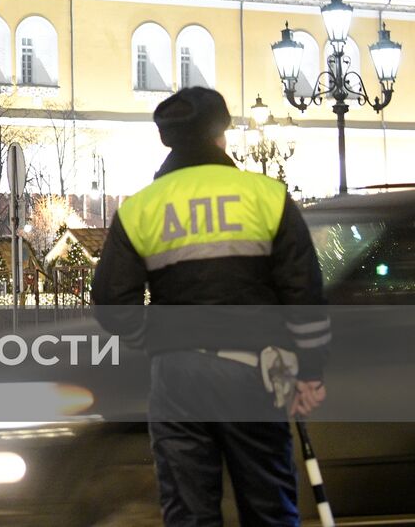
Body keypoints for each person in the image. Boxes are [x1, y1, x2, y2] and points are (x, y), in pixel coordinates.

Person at [93, 87, 329, 527]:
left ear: (169, 139)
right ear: (221, 135)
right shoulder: (267, 196)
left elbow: (111, 302)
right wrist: (310, 372)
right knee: (269, 506)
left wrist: (158, 339)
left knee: (189, 512)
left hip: (177, 378)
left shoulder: (140, 208)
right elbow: (303, 295)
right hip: (255, 372)